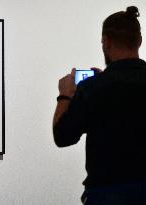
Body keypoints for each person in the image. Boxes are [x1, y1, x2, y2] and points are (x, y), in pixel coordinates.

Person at [53, 6, 146, 205]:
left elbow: (62, 136)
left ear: (106, 42)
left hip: (107, 194)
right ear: (139, 40)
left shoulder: (92, 88)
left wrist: (65, 95)